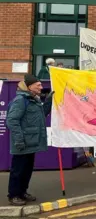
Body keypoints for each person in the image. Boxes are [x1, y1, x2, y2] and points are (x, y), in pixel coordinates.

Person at [6, 74, 53, 206]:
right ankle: (14, 195)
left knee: (27, 170)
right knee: (18, 170)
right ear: (29, 87)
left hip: (31, 142)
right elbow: (12, 120)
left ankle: (22, 192)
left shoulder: (34, 99)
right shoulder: (20, 100)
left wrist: (49, 101)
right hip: (21, 143)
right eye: (38, 85)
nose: (41, 87)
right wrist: (19, 140)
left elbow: (41, 115)